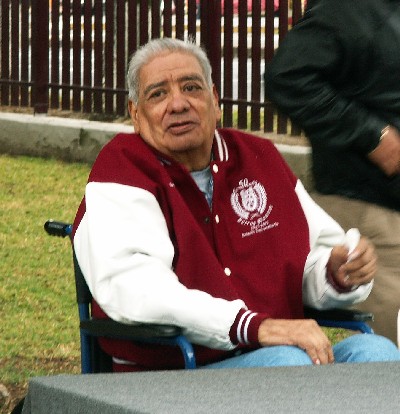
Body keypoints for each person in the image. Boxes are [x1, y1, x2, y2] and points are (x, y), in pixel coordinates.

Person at [72, 37, 400, 372]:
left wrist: (337, 273)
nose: (178, 104)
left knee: (376, 353)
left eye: (191, 87)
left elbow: (308, 261)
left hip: (273, 358)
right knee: (287, 363)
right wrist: (250, 326)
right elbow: (138, 289)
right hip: (172, 370)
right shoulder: (122, 169)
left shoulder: (259, 157)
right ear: (136, 114)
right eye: (158, 94)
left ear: (215, 101)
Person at [265, 0, 400, 343]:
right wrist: (372, 136)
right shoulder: (345, 7)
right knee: (385, 357)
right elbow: (288, 77)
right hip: (373, 209)